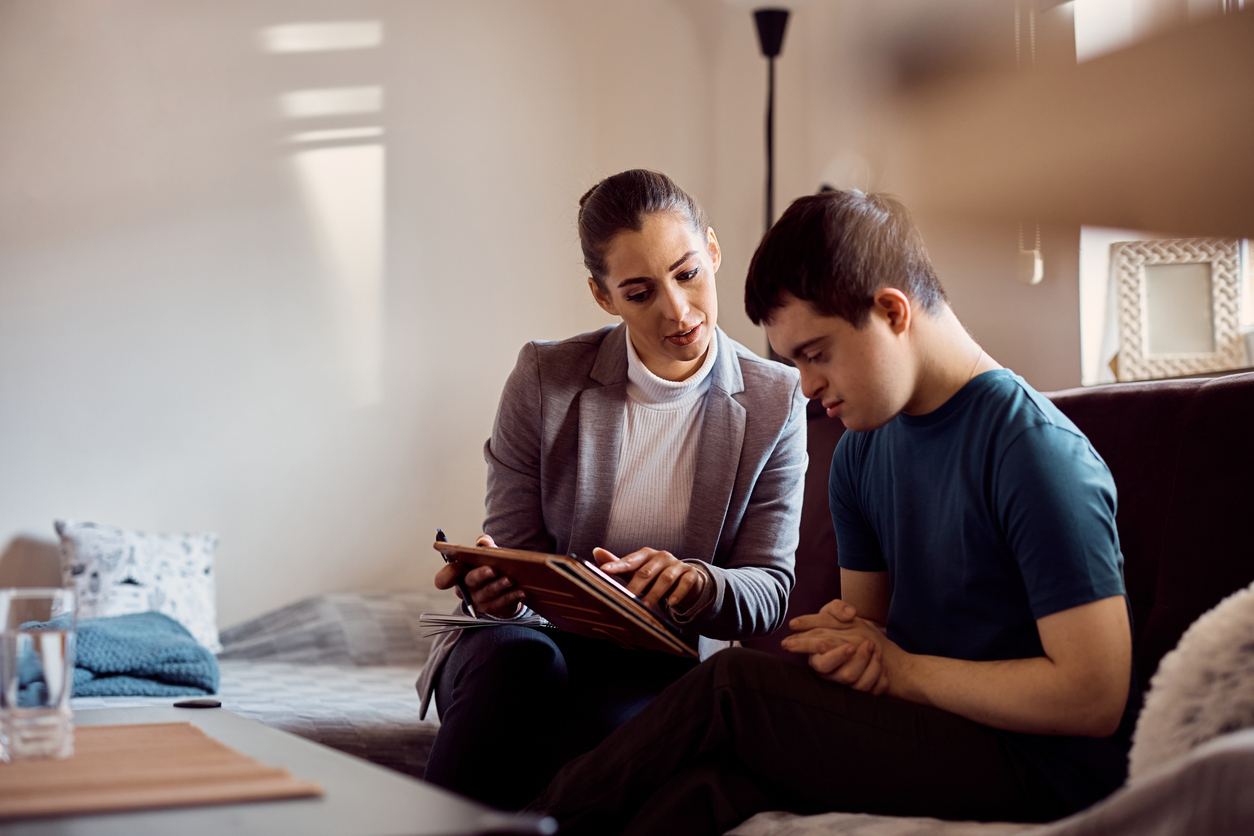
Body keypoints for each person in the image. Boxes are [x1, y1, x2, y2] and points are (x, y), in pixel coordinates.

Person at [528, 189, 1139, 835]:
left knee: (732, 685)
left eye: (816, 353)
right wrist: (848, 642)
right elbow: (870, 640)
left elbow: (1093, 698)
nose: (806, 387)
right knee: (704, 790)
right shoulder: (861, 452)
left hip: (1042, 769)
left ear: (891, 310)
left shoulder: (1032, 451)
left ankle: (517, 827)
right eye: (792, 361)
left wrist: (900, 669)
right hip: (930, 732)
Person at [416, 169, 808, 810]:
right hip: (526, 641)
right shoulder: (546, 378)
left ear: (712, 249)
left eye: (686, 274)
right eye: (640, 292)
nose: (677, 312)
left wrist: (697, 583)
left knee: (607, 729)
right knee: (521, 670)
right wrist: (498, 593)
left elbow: (769, 590)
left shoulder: (774, 400)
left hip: (660, 660)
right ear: (604, 298)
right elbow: (517, 552)